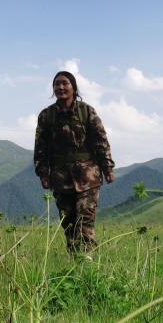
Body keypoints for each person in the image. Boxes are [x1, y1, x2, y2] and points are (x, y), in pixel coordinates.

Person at [34, 70, 115, 256]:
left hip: (88, 176)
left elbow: (101, 141)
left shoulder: (87, 111)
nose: (60, 87)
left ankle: (87, 261)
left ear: (74, 88)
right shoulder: (46, 116)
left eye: (65, 83)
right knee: (68, 222)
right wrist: (43, 173)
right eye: (57, 84)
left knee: (85, 219)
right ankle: (74, 260)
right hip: (60, 178)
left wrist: (108, 168)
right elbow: (40, 147)